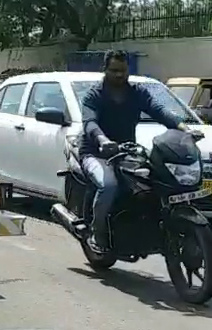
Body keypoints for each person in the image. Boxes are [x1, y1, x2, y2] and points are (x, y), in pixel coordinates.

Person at [78, 50, 196, 251]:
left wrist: (185, 129)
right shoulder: (94, 95)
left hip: (127, 151)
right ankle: (96, 233)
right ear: (105, 69)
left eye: (123, 70)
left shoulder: (137, 93)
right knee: (109, 185)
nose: (119, 75)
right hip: (95, 152)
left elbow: (159, 111)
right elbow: (89, 123)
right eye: (114, 70)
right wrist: (103, 140)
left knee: (153, 181)